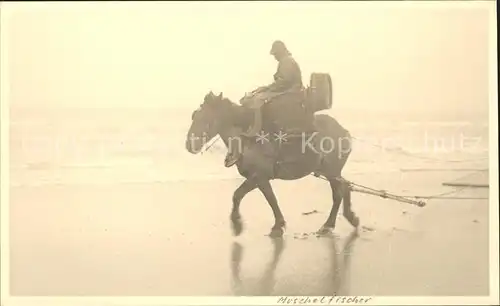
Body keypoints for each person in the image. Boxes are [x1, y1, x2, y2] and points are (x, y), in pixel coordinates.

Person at [224, 40, 304, 167]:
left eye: (275, 54)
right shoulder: (286, 61)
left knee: (258, 100)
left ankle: (257, 128)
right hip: (288, 90)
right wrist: (266, 88)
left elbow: (284, 82)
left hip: (291, 93)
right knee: (257, 96)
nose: (275, 57)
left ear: (281, 52)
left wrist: (267, 89)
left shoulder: (287, 62)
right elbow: (281, 82)